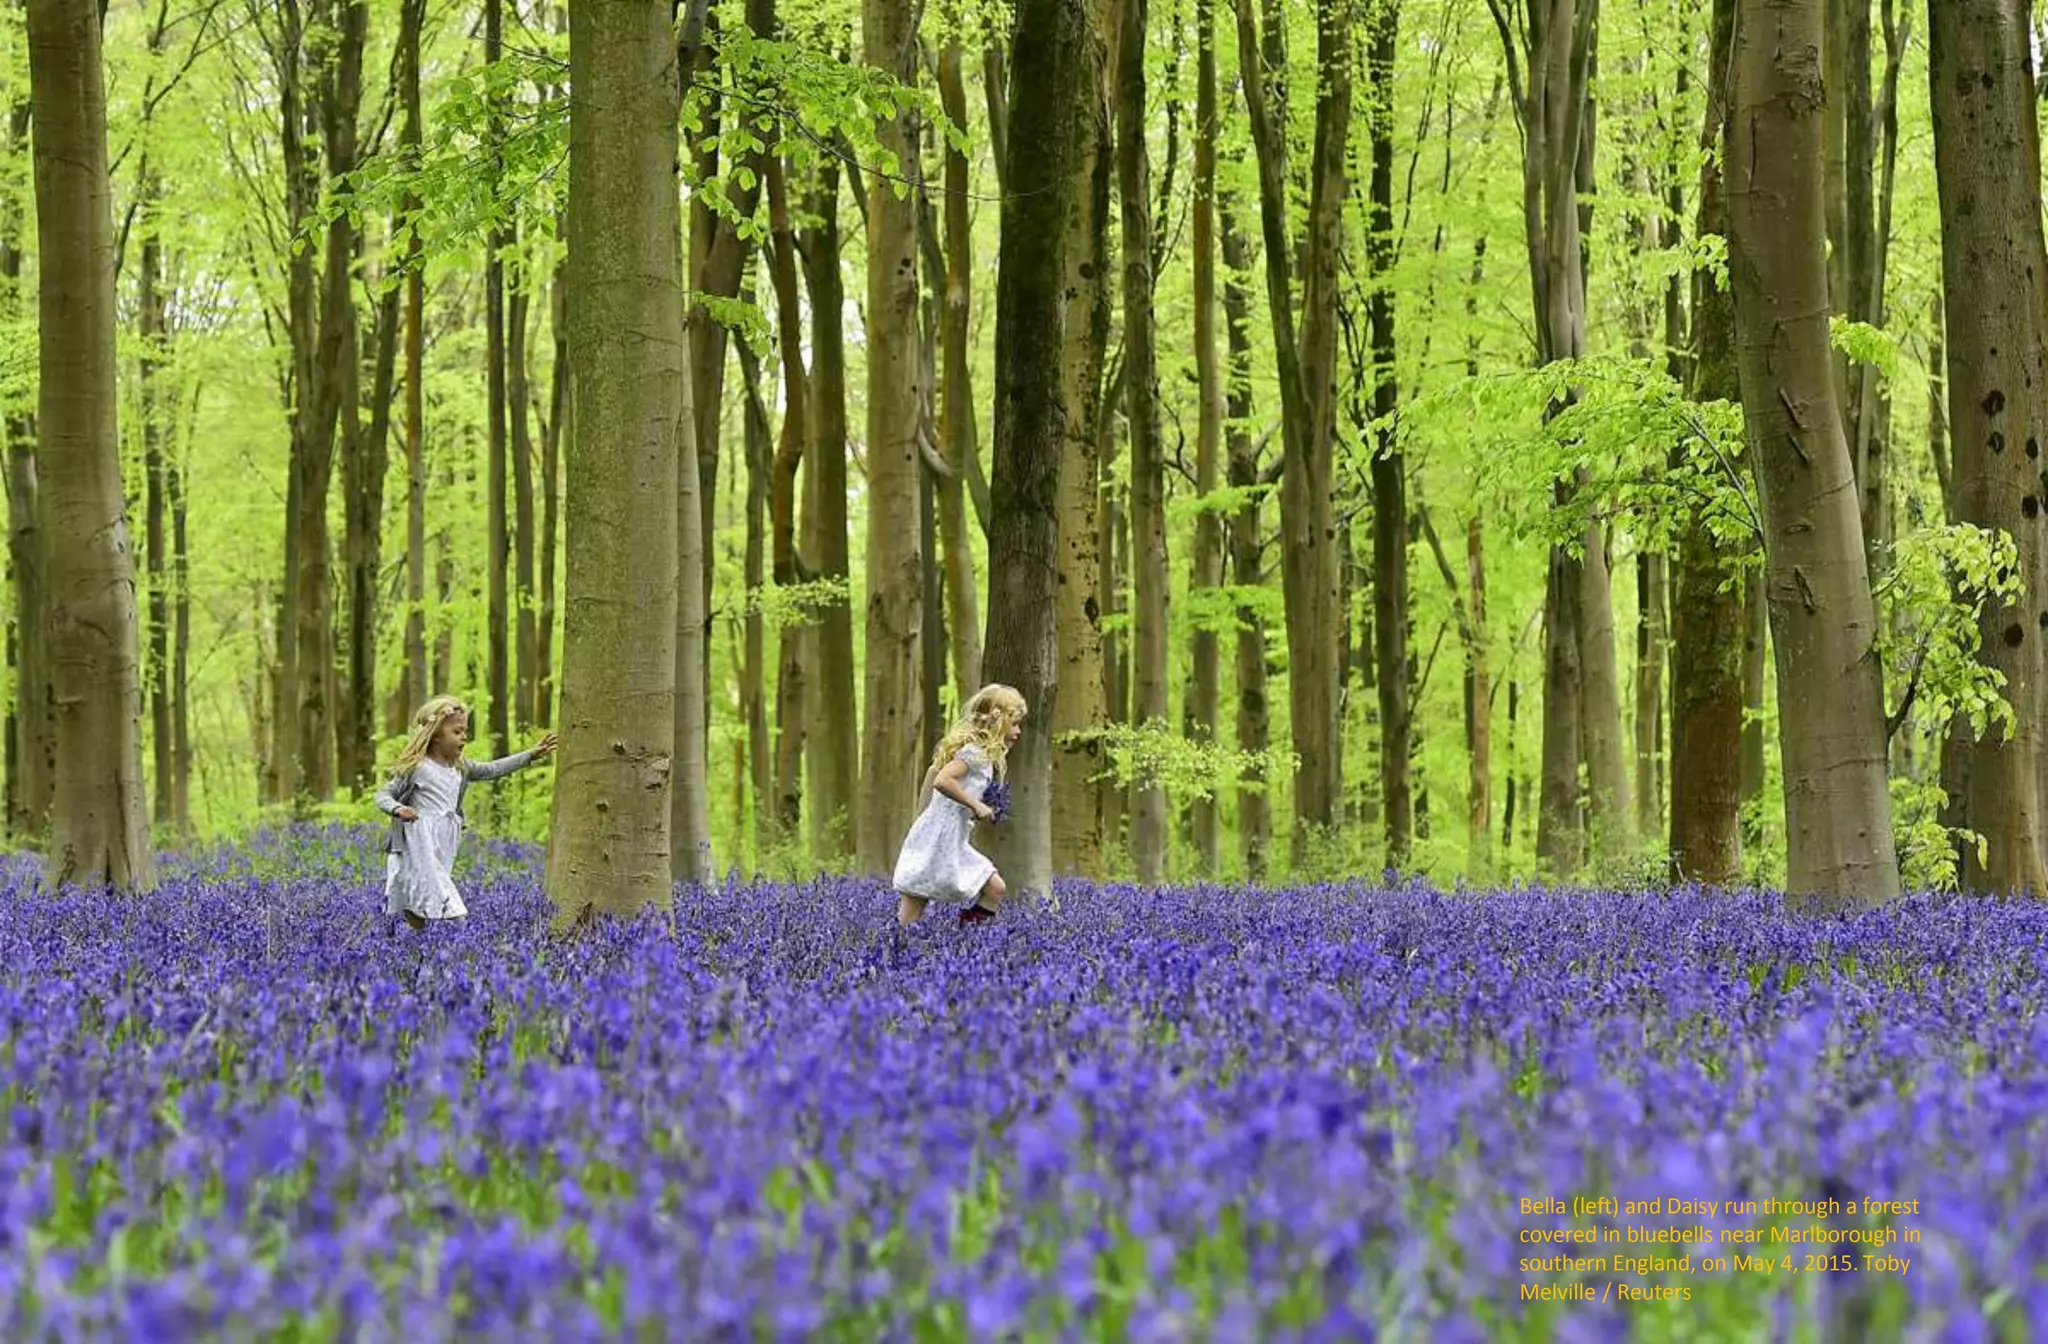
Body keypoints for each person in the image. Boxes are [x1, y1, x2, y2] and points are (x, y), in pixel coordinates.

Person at [374, 695, 557, 928]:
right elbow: (383, 795)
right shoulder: (418, 768)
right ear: (436, 735)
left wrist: (530, 755)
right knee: (449, 907)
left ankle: (418, 955)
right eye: (457, 732)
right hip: (418, 843)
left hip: (444, 842)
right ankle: (458, 938)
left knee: (420, 905)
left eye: (465, 732)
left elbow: (492, 769)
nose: (464, 738)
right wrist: (398, 808)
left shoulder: (461, 768)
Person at [892, 684, 1025, 927]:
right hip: (939, 839)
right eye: (1014, 724)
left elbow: (933, 775)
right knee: (909, 916)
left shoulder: (981, 756)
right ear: (998, 722)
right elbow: (943, 781)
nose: (1018, 731)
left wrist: (921, 821)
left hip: (948, 838)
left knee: (995, 888)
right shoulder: (975, 753)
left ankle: (967, 942)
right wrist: (976, 805)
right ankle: (890, 955)